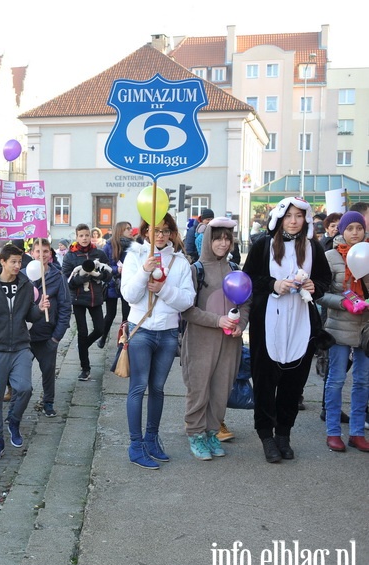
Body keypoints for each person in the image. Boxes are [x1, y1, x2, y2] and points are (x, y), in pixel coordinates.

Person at [243, 197, 332, 463]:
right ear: (280, 218)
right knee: (265, 383)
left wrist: (315, 287)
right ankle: (266, 437)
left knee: (293, 384)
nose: (294, 221)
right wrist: (273, 284)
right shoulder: (264, 245)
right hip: (268, 323)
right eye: (289, 216)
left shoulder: (313, 247)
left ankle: (283, 435)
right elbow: (249, 279)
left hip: (301, 324)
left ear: (305, 219)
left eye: (299, 216)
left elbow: (325, 280)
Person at [120, 214, 196, 469]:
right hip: (140, 330)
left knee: (158, 388)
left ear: (172, 233)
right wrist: (144, 272)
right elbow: (129, 295)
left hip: (167, 333)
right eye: (156, 230)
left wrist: (162, 289)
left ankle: (152, 439)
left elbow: (187, 301)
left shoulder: (180, 262)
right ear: (146, 231)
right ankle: (135, 444)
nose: (161, 235)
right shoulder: (135, 256)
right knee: (138, 387)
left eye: (166, 230)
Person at [180, 219, 250, 460]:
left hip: (230, 342)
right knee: (199, 390)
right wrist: (216, 320)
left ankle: (211, 432)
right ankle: (195, 435)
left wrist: (240, 324)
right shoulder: (195, 270)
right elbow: (186, 310)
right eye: (218, 238)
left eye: (227, 238)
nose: (223, 243)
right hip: (200, 341)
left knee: (221, 390)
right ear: (208, 240)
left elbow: (246, 302)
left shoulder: (235, 270)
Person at [0, 243, 48, 461]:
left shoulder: (25, 285)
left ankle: (14, 420)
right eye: (13, 262)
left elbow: (30, 316)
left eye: (20, 262)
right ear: (3, 262)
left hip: (20, 346)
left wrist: (40, 309)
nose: (18, 266)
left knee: (24, 388)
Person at [317, 211, 369, 452]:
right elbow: (319, 293)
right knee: (336, 380)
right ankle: (333, 432)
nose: (355, 233)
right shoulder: (329, 256)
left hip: (366, 329)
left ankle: (357, 432)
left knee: (362, 382)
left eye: (359, 228)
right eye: (350, 228)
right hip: (338, 327)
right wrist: (343, 302)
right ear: (341, 231)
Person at [27, 239, 71, 417]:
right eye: (38, 251)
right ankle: (17, 403)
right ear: (32, 253)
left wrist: (56, 337)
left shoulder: (58, 277)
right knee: (19, 374)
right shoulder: (23, 275)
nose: (42, 255)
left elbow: (65, 307)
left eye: (45, 251)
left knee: (47, 372)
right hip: (25, 336)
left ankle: (48, 402)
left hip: (47, 336)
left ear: (50, 254)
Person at [63, 224, 112, 381]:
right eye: (81, 236)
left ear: (90, 236)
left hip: (96, 298)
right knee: (82, 332)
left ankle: (82, 346)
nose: (84, 238)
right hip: (78, 299)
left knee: (100, 329)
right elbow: (67, 281)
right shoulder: (70, 256)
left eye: (86, 235)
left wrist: (99, 276)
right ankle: (85, 368)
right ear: (76, 237)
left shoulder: (98, 253)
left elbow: (108, 274)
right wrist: (82, 277)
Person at [99, 221, 133, 348]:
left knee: (126, 314)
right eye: (127, 229)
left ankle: (123, 340)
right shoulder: (109, 245)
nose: (131, 231)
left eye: (130, 228)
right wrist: (115, 269)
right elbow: (102, 265)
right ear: (120, 231)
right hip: (112, 283)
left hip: (127, 282)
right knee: (110, 314)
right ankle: (103, 337)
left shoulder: (133, 246)